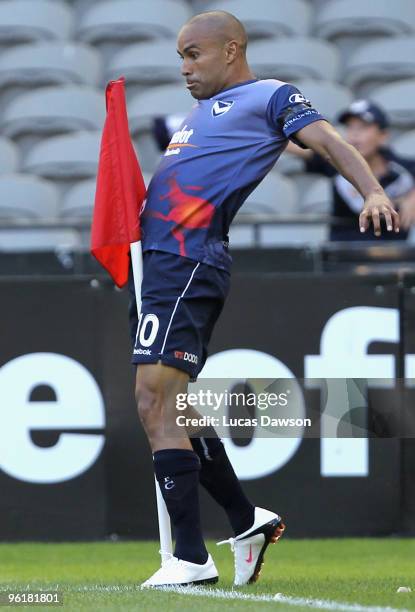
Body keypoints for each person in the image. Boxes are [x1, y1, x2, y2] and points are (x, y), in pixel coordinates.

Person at [129, 11, 399, 588]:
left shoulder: (272, 96)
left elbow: (328, 141)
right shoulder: (198, 115)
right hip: (159, 265)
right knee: (172, 407)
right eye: (180, 56)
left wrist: (372, 190)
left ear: (231, 49)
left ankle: (190, 557)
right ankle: (247, 519)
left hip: (187, 260)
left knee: (154, 400)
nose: (184, 68)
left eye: (193, 54)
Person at [287, 100, 415, 241]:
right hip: (342, 254)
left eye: (363, 127)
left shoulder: (403, 169)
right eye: (350, 127)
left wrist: (412, 198)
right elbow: (290, 144)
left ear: (383, 136)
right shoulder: (334, 162)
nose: (355, 135)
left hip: (395, 256)